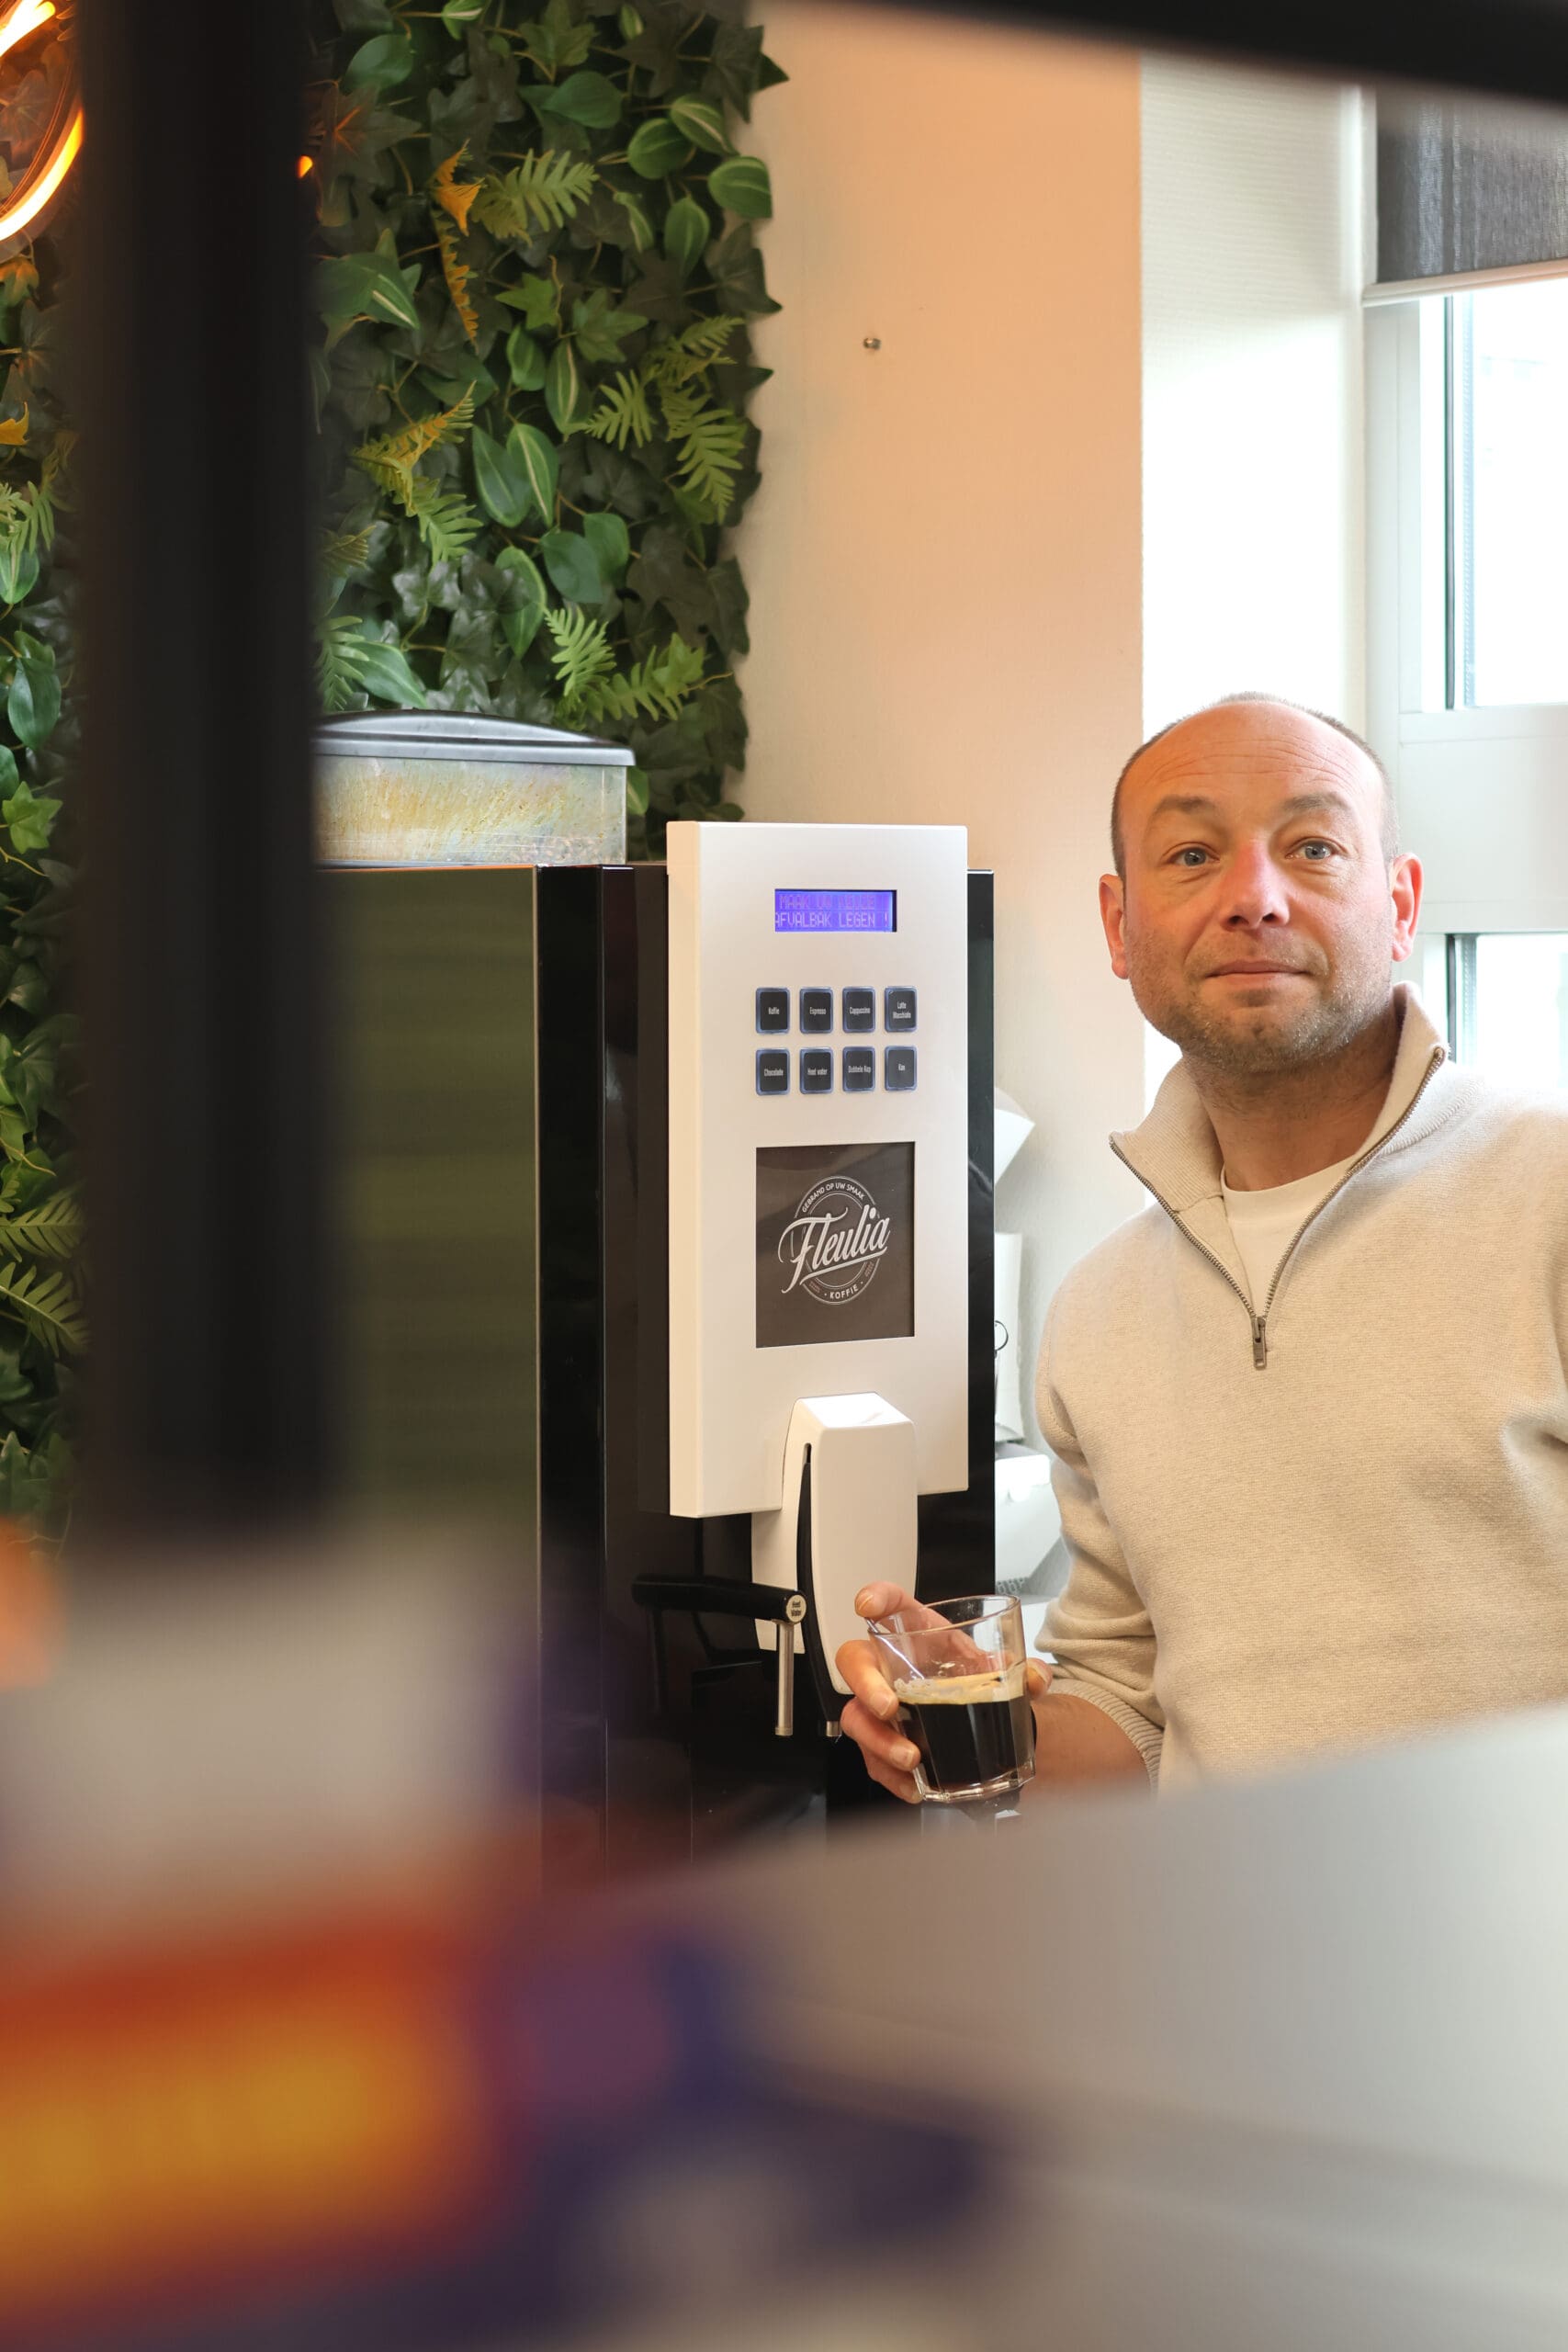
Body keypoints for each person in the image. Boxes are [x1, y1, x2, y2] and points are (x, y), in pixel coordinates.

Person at [837, 693, 1568, 1797]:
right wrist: (976, 1721)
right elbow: (1134, 1718)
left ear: (1402, 903)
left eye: (1313, 847)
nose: (1255, 899)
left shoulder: (1547, 1201)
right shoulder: (1099, 1311)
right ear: (1120, 926)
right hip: (1226, 1959)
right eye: (1192, 854)